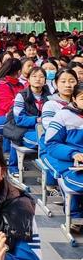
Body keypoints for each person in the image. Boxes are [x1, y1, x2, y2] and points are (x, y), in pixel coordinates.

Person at [45, 83, 83, 219]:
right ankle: (74, 214)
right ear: (74, 99)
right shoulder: (63, 115)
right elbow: (51, 144)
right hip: (69, 161)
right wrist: (73, 153)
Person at [0, 58, 24, 174]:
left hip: (12, 117)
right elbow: (8, 106)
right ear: (19, 71)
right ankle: (13, 166)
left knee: (19, 124)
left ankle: (13, 160)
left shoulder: (20, 85)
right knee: (16, 129)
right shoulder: (2, 84)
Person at [8, 67, 51, 149]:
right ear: (28, 79)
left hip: (44, 129)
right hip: (24, 131)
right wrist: (37, 119)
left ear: (45, 81)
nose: (38, 79)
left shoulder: (50, 96)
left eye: (41, 77)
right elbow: (19, 119)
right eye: (34, 76)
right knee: (45, 140)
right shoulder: (21, 96)